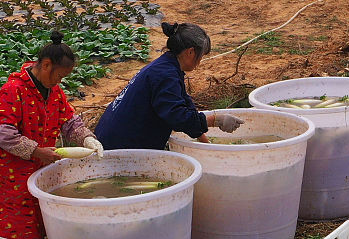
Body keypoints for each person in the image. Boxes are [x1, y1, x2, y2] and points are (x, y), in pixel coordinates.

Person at [0, 31, 104, 239]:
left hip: (42, 169)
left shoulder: (54, 91)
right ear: (46, 65)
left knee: (39, 225)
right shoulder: (14, 90)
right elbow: (2, 134)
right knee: (25, 231)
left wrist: (87, 138)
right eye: (59, 76)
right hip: (17, 174)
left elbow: (68, 121)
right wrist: (36, 151)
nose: (60, 82)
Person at [94, 22, 244, 151]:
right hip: (119, 146)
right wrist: (216, 120)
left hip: (112, 135)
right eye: (201, 56)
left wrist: (206, 143)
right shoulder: (165, 75)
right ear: (191, 52)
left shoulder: (167, 65)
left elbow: (184, 103)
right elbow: (177, 116)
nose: (200, 62)